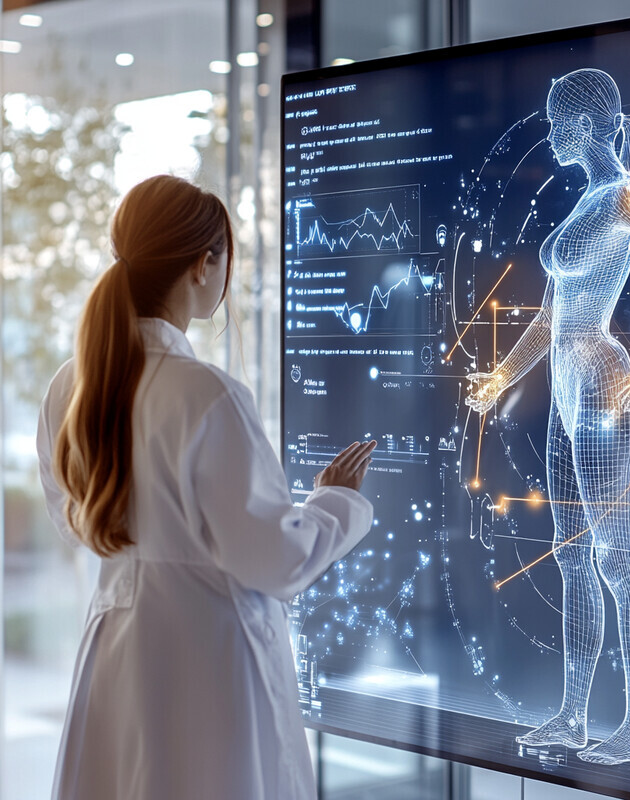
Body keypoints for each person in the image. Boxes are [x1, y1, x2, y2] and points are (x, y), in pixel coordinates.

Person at [36, 174, 377, 800]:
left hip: (116, 652)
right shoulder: (206, 394)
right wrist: (338, 502)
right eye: (226, 257)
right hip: (205, 664)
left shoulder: (72, 384)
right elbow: (275, 559)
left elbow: (75, 519)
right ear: (203, 264)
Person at [466, 69, 630, 764]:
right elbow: (554, 319)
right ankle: (573, 718)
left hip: (605, 387)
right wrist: (500, 378)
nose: (551, 134)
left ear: (584, 126)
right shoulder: (588, 199)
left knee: (613, 558)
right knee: (575, 558)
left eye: (558, 122)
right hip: (568, 384)